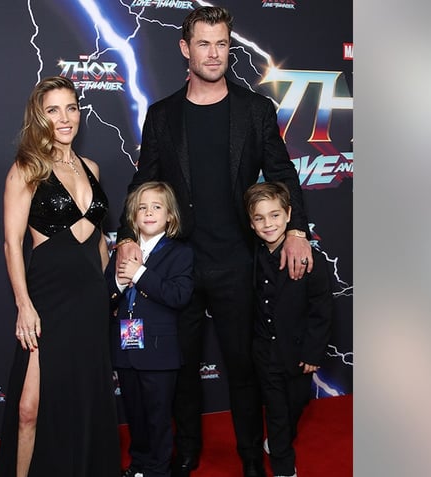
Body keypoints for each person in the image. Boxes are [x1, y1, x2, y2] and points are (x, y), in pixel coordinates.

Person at [114, 6, 314, 477]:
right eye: (203, 43)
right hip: (177, 265)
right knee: (180, 369)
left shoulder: (255, 110)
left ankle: (250, 459)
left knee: (244, 371)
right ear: (186, 48)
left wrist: (298, 230)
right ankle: (186, 453)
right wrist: (126, 237)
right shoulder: (163, 116)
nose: (214, 53)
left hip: (237, 263)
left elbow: (284, 174)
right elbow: (144, 181)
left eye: (222, 43)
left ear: (230, 46)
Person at [0, 76, 120, 477]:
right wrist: (24, 306)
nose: (64, 118)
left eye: (71, 108)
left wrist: (110, 291)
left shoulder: (92, 168)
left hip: (91, 301)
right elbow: (13, 244)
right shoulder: (26, 169)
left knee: (86, 399)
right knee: (30, 406)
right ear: (39, 116)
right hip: (48, 299)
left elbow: (99, 239)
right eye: (53, 110)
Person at [243, 182, 333, 477]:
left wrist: (312, 352)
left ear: (289, 214)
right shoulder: (250, 258)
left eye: (275, 215)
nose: (268, 224)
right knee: (279, 414)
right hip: (265, 354)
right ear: (251, 222)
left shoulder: (310, 259)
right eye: (260, 218)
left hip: (297, 353)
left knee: (297, 403)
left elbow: (321, 310)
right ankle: (284, 468)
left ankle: (279, 442)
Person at [106, 182, 194, 477]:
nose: (148, 212)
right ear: (132, 216)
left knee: (158, 416)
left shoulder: (180, 253)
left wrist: (139, 274)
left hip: (159, 352)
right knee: (136, 414)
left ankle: (158, 470)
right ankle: (139, 465)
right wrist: (120, 280)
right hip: (126, 349)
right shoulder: (122, 252)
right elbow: (106, 295)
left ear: (170, 215)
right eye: (142, 207)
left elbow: (178, 296)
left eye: (156, 207)